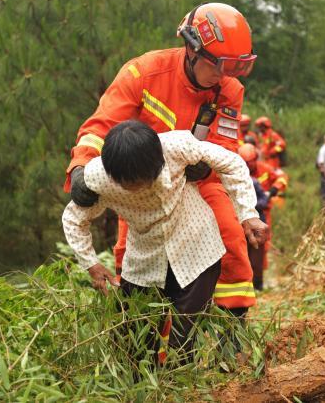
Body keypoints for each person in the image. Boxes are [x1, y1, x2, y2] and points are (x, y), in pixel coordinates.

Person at [63, 2, 261, 314]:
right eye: (219, 66)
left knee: (230, 235)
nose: (225, 77)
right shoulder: (142, 73)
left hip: (198, 180)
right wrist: (81, 166)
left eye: (235, 68)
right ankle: (141, 331)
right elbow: (101, 125)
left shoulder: (230, 89)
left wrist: (205, 168)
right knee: (129, 250)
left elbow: (225, 145)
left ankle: (231, 329)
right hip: (143, 179)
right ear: (192, 49)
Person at [62, 121, 267, 362]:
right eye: (130, 182)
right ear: (113, 175)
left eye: (144, 178)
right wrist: (92, 264)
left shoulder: (177, 146)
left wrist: (248, 214)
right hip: (144, 259)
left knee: (183, 338)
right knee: (135, 337)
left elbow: (231, 163)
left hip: (197, 248)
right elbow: (73, 219)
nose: (139, 187)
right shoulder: (98, 177)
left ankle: (180, 383)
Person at [238, 143, 288, 290]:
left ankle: (258, 281)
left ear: (256, 158)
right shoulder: (236, 171)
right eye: (245, 162)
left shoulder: (264, 168)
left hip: (262, 213)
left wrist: (272, 191)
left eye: (250, 161)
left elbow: (282, 177)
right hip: (242, 215)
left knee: (261, 247)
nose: (248, 165)